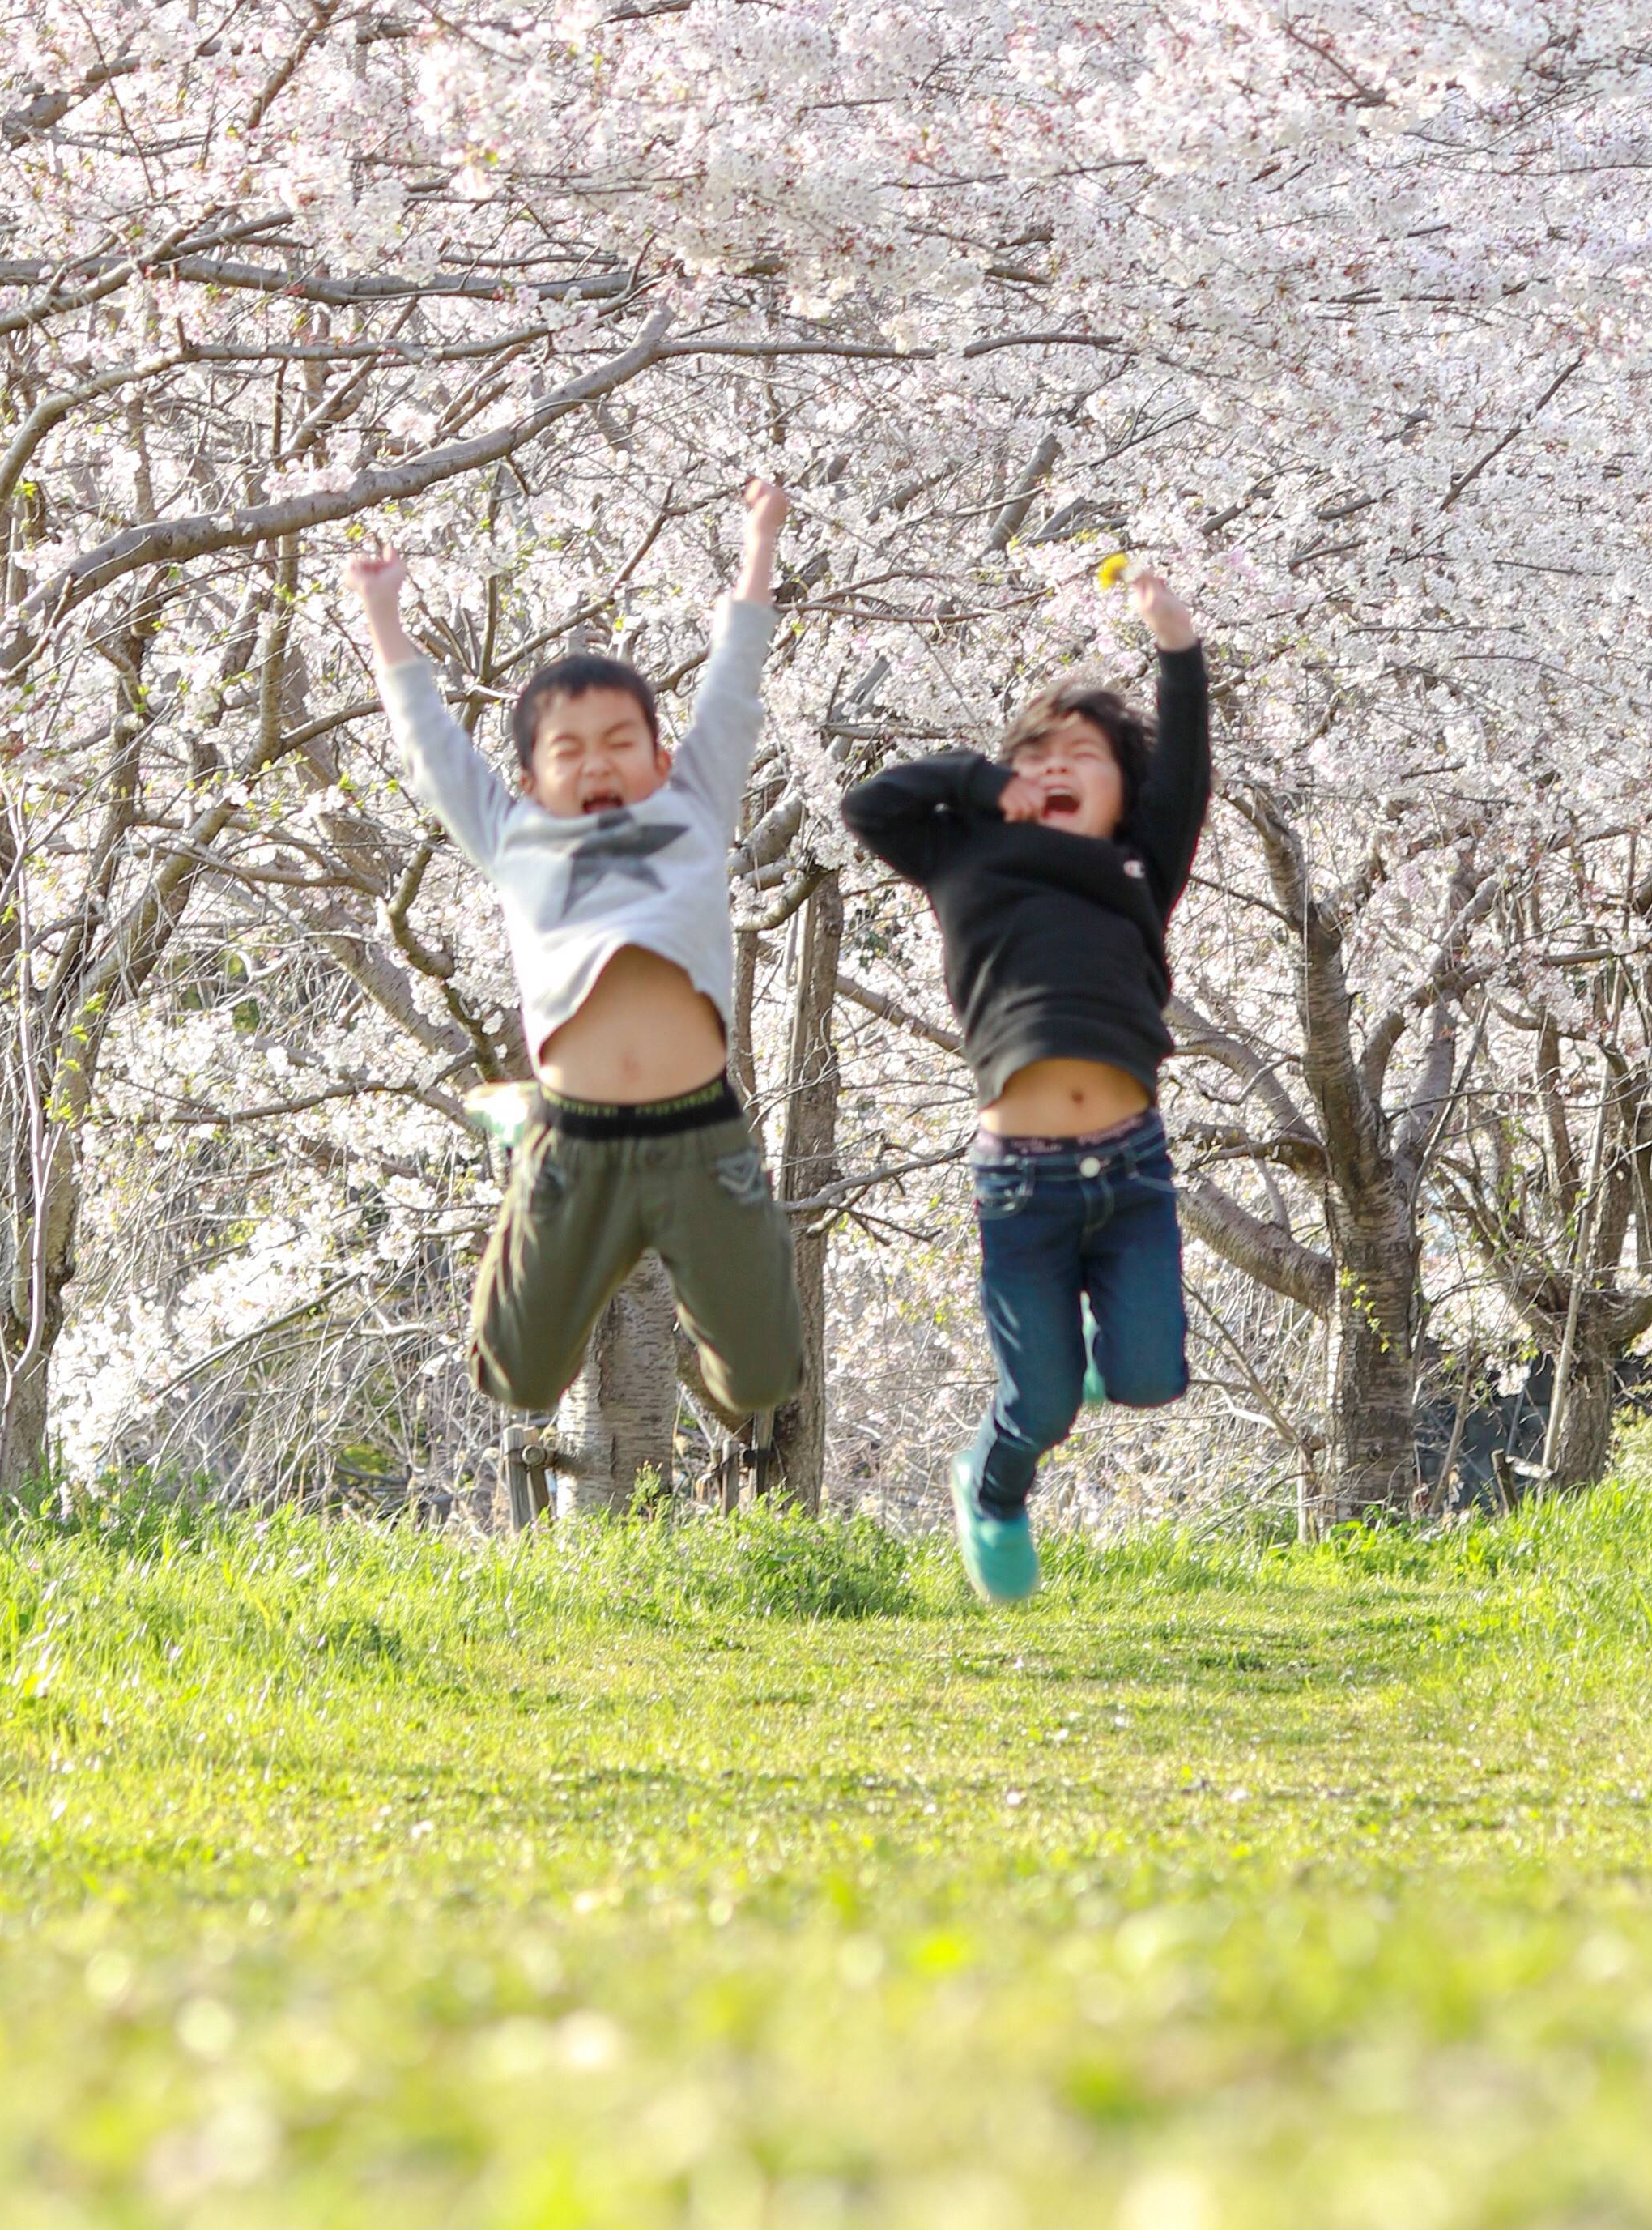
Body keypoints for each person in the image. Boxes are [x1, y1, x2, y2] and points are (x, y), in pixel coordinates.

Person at [343, 477, 803, 1443]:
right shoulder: (513, 835)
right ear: (528, 779)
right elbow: (430, 752)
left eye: (619, 744)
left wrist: (758, 546)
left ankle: (707, 1287)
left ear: (661, 760)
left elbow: (733, 686)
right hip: (575, 1142)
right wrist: (385, 620)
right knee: (518, 1382)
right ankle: (519, 1141)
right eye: (570, 751)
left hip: (699, 1140)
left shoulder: (693, 811)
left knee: (761, 1380)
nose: (597, 765)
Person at [841, 566, 1207, 1602]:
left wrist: (1175, 647)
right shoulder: (966, 861)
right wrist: (973, 778)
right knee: (1038, 1407)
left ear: (1122, 794)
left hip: (1132, 1168)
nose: (1055, 768)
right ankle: (993, 1485)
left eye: (1081, 758)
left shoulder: (1142, 864)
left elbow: (1186, 766)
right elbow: (865, 806)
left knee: (1148, 1378)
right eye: (1035, 756)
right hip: (1020, 1181)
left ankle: (1087, 1359)